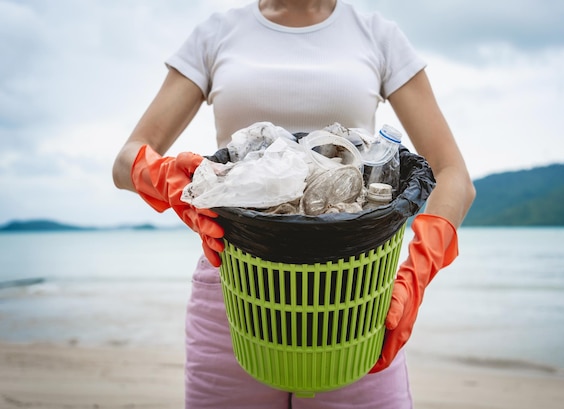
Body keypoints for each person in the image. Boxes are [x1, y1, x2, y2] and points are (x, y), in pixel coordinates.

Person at [112, 0, 475, 408]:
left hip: (358, 302)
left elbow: (453, 175)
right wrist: (171, 181)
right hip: (235, 296)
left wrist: (415, 276)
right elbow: (126, 161)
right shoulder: (216, 34)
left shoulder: (378, 36)